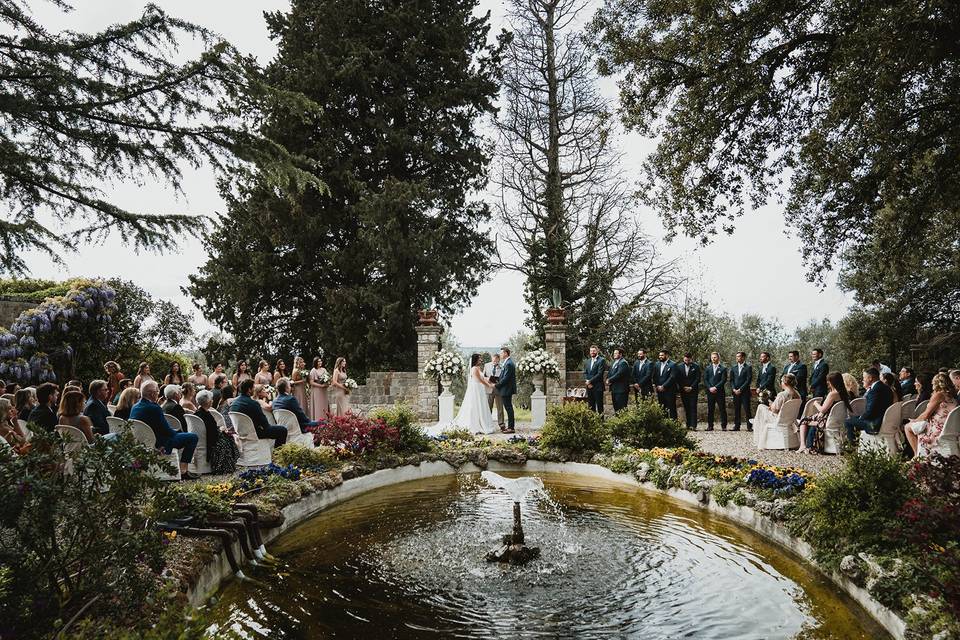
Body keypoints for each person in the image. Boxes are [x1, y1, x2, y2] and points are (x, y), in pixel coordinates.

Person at [131, 381, 199, 480]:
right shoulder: (154, 408)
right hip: (160, 442)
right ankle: (183, 470)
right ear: (152, 393)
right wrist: (178, 432)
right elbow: (167, 431)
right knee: (192, 437)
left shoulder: (135, 406)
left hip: (142, 440)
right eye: (157, 392)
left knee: (183, 435)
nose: (158, 394)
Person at [429, 354, 497, 435]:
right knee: (475, 405)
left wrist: (489, 379)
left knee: (480, 405)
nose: (481, 360)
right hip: (476, 389)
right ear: (475, 360)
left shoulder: (478, 368)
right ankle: (475, 425)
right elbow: (479, 380)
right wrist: (489, 385)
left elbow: (482, 378)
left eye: (481, 359)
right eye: (479, 359)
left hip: (480, 389)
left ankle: (481, 423)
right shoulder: (474, 368)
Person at [904, 372, 957, 458]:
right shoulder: (952, 395)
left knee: (907, 427)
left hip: (937, 428)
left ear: (936, 383)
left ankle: (917, 456)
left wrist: (914, 420)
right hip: (948, 427)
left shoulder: (939, 395)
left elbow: (926, 415)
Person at [798, 372, 851, 454]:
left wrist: (815, 403)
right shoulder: (845, 393)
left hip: (826, 420)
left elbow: (822, 410)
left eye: (828, 381)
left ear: (832, 382)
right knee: (810, 421)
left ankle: (803, 445)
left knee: (803, 421)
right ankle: (807, 445)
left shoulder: (832, 394)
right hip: (837, 420)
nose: (827, 383)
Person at [844, 367, 894, 445]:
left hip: (874, 424)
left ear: (870, 378)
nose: (863, 379)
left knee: (847, 421)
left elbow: (870, 411)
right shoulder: (887, 388)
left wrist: (861, 418)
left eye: (864, 377)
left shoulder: (874, 391)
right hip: (886, 421)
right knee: (854, 418)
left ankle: (852, 448)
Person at [195, 389, 239, 474]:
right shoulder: (207, 416)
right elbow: (213, 433)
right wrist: (221, 430)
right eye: (211, 399)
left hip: (202, 438)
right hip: (211, 441)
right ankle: (225, 466)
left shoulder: (196, 413)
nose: (212, 401)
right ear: (208, 402)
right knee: (229, 439)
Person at [232, 379, 287, 446]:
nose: (254, 389)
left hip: (240, 432)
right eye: (253, 387)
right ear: (249, 390)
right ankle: (277, 454)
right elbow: (265, 425)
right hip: (254, 433)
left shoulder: (234, 403)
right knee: (282, 430)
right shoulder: (253, 403)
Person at [753, 373, 800, 449]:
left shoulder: (782, 394)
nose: (781, 383)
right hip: (790, 419)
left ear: (785, 382)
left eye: (781, 381)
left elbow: (775, 410)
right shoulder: (797, 394)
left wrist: (771, 404)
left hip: (779, 419)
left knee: (761, 407)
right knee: (762, 408)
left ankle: (760, 438)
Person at [494, 347, 517, 433]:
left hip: (507, 389)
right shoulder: (507, 362)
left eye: (501, 353)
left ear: (506, 353)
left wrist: (497, 385)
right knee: (508, 408)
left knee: (509, 408)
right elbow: (502, 376)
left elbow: (506, 378)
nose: (500, 354)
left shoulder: (509, 363)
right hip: (506, 389)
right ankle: (510, 427)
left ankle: (511, 428)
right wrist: (495, 380)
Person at [704, 352, 728, 431]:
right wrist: (710, 388)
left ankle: (724, 426)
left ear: (718, 358)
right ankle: (710, 426)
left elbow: (723, 380)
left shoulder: (723, 368)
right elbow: (705, 379)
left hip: (720, 392)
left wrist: (715, 387)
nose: (713, 359)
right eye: (712, 357)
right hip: (710, 392)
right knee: (710, 409)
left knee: (722, 409)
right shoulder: (707, 368)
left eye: (715, 357)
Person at [730, 352, 753, 432]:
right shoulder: (733, 368)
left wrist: (741, 389)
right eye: (736, 357)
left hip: (744, 392)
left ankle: (749, 426)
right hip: (735, 392)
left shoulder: (748, 367)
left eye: (739, 356)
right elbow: (731, 380)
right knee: (737, 409)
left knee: (747, 410)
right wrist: (733, 389)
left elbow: (748, 380)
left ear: (743, 358)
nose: (737, 358)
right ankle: (737, 426)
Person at [653, 349, 678, 419]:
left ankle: (674, 426)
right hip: (659, 391)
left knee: (671, 408)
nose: (660, 357)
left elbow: (672, 377)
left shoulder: (673, 364)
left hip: (669, 390)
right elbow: (654, 376)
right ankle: (664, 426)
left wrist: (663, 386)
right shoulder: (657, 364)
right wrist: (657, 386)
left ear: (667, 355)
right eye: (659, 355)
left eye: (662, 355)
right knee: (662, 408)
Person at [678, 353, 700, 430]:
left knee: (693, 407)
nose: (687, 361)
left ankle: (693, 425)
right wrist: (683, 387)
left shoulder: (696, 366)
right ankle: (688, 424)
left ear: (691, 359)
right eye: (685, 360)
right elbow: (678, 378)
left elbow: (697, 378)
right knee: (686, 407)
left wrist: (691, 387)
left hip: (693, 390)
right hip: (683, 390)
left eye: (688, 360)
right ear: (683, 359)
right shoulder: (679, 366)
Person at [483, 353, 505, 429]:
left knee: (500, 408)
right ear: (492, 359)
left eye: (496, 360)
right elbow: (483, 376)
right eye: (493, 360)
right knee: (488, 407)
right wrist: (488, 379)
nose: (495, 361)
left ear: (499, 360)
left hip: (498, 389)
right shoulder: (486, 365)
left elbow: (503, 378)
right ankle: (487, 424)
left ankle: (501, 424)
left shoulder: (502, 366)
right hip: (489, 389)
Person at [583, 345, 606, 414]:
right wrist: (587, 382)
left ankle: (601, 423)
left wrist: (590, 381)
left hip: (598, 387)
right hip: (589, 387)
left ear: (597, 351)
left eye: (594, 351)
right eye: (591, 351)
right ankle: (592, 422)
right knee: (590, 406)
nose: (592, 352)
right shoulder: (587, 361)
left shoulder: (601, 360)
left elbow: (600, 374)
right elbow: (585, 373)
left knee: (599, 406)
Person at [607, 348, 631, 413]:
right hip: (614, 389)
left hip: (621, 390)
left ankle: (623, 422)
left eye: (616, 353)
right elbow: (610, 372)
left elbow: (619, 374)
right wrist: (608, 379)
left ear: (620, 354)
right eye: (614, 353)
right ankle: (617, 422)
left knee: (622, 408)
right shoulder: (614, 362)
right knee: (616, 408)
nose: (614, 355)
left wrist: (610, 379)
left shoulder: (623, 363)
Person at [309, 356, 330, 421]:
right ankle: (318, 420)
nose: (320, 362)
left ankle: (325, 420)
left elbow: (328, 378)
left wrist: (327, 383)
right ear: (315, 362)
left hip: (324, 390)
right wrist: (321, 386)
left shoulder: (324, 369)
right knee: (318, 405)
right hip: (317, 390)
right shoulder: (313, 370)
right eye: (318, 361)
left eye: (320, 361)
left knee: (324, 404)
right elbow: (311, 382)